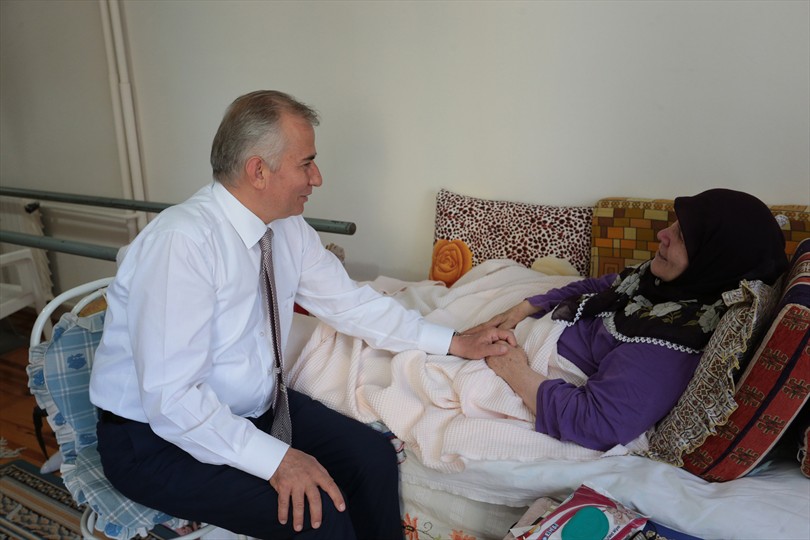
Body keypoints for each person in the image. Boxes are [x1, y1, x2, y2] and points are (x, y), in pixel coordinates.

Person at [88, 90, 515, 540]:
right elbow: (172, 401)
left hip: (252, 410)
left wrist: (452, 342)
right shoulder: (182, 244)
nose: (317, 178)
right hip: (156, 439)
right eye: (306, 163)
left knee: (372, 460)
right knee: (317, 515)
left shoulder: (286, 228)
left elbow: (350, 303)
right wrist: (277, 460)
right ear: (258, 171)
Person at [467, 188, 788, 451]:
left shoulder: (669, 343)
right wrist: (526, 307)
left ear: (714, 261)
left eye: (681, 236)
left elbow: (597, 423)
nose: (662, 234)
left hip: (524, 364)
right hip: (533, 334)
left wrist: (513, 369)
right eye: (674, 225)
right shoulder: (667, 284)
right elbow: (604, 286)